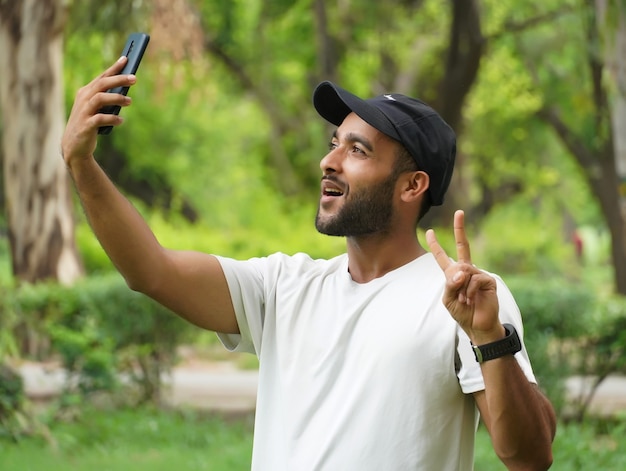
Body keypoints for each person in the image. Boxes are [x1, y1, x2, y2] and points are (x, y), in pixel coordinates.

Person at [61, 56, 556, 470]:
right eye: (333, 143)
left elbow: (529, 457)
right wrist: (82, 165)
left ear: (412, 186)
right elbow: (150, 270)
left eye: (357, 150)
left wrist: (490, 339)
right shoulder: (284, 286)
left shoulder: (461, 299)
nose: (330, 161)